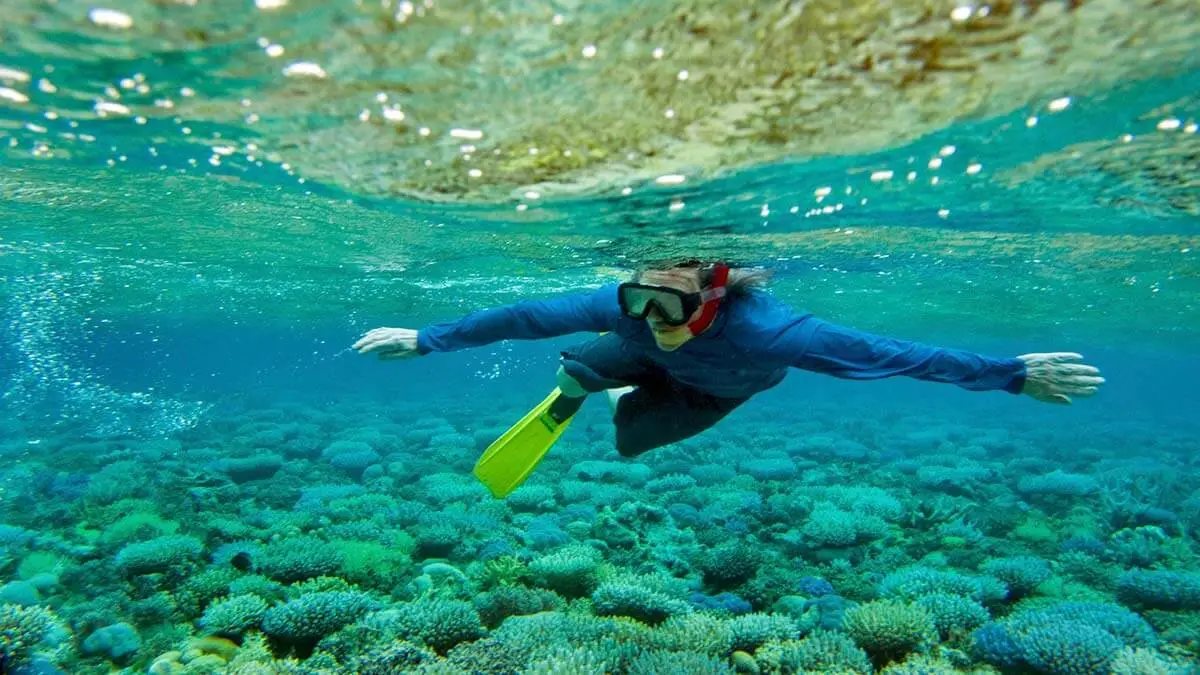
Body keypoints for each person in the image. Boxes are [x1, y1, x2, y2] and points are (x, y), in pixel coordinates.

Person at [353, 260, 1103, 494]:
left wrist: (1008, 375)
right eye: (637, 300)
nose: (652, 312)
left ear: (712, 292)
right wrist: (425, 338)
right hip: (650, 365)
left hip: (723, 387)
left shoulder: (774, 332)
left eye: (668, 301)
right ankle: (588, 374)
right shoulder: (630, 313)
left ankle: (604, 388)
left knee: (630, 442)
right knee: (587, 356)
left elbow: (898, 356)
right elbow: (518, 315)